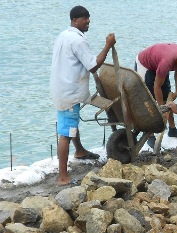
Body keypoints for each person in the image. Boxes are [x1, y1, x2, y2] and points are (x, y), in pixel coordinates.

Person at [50, 6, 116, 185]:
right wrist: (108, 46)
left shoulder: (63, 35)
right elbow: (93, 65)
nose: (88, 21)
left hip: (61, 88)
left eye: (89, 17)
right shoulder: (77, 40)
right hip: (69, 93)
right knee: (66, 133)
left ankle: (79, 151)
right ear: (74, 21)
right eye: (84, 18)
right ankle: (63, 177)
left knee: (71, 124)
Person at [135, 43, 177, 148]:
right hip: (145, 64)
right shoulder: (166, 62)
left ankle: (172, 130)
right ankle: (150, 135)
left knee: (167, 97)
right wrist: (161, 108)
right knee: (148, 99)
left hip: (159, 64)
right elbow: (157, 87)